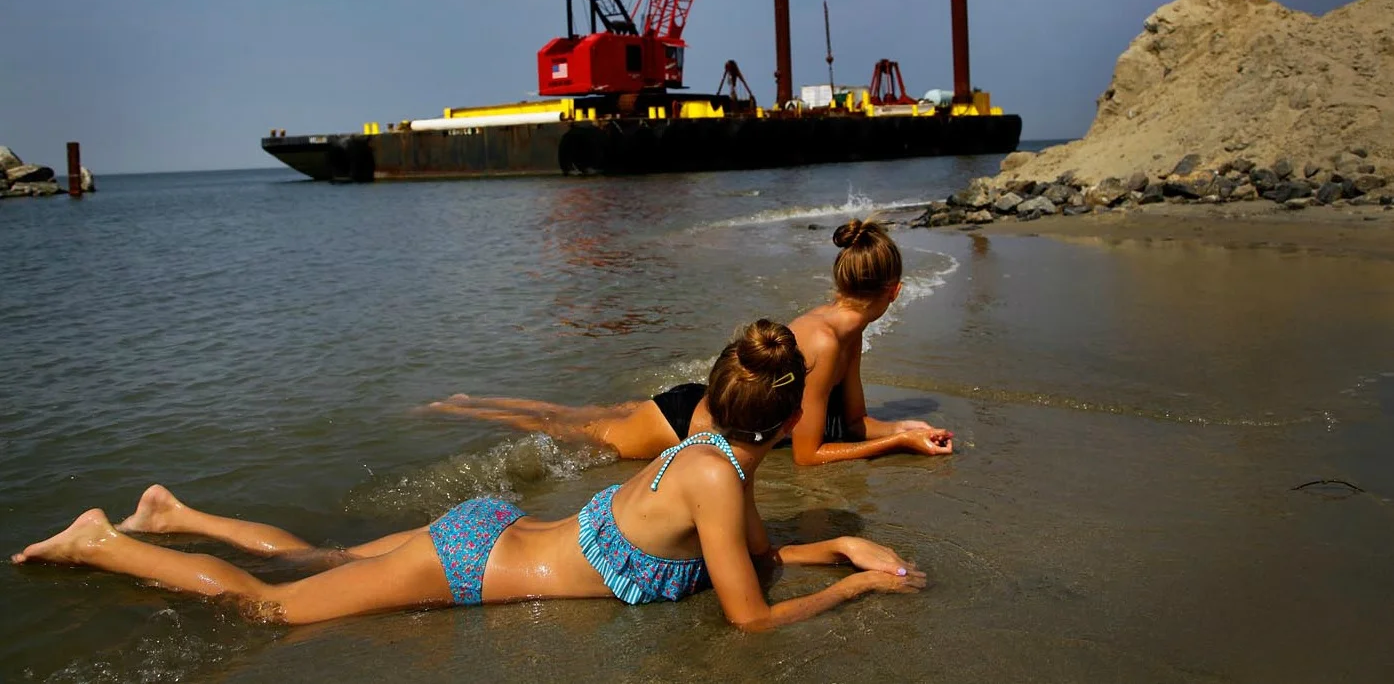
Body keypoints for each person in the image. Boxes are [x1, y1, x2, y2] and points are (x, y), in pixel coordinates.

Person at [12, 321, 925, 629]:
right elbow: (750, 619)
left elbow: (754, 559)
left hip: (489, 533)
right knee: (269, 608)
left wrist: (840, 547)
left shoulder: (704, 449)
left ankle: (173, 515)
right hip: (466, 564)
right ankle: (102, 545)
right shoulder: (722, 479)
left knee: (319, 558)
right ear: (787, 419)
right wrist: (857, 589)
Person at [428, 218, 954, 465]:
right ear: (895, 290)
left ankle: (466, 402)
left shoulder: (847, 329)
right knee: (568, 429)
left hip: (699, 403)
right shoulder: (825, 342)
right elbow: (808, 454)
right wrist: (896, 444)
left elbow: (853, 423)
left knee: (579, 417)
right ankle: (462, 409)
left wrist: (905, 427)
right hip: (684, 426)